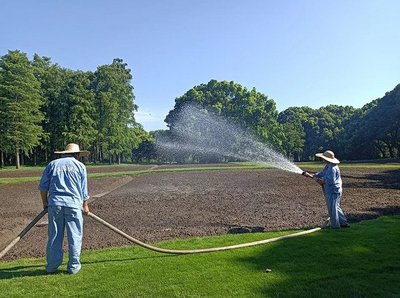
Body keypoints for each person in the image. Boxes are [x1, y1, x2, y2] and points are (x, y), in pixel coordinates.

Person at [38, 143, 90, 274]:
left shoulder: (52, 164)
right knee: (75, 236)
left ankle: (51, 267)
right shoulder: (80, 166)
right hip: (74, 204)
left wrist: (45, 202)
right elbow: (83, 189)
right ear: (77, 154)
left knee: (54, 236)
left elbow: (43, 186)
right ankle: (73, 267)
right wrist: (85, 205)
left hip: (55, 204)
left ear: (64, 153)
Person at [302, 150, 350, 229]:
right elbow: (321, 174)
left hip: (332, 191)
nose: (322, 159)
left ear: (327, 159)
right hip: (334, 190)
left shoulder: (332, 168)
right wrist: (310, 175)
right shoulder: (328, 166)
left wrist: (312, 177)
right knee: (336, 207)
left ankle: (335, 226)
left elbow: (326, 181)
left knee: (332, 208)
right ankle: (343, 223)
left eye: (323, 158)